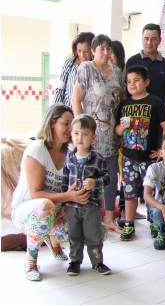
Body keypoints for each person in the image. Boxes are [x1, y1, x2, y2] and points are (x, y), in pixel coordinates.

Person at [11, 105, 83, 281]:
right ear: (52, 123)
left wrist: (69, 203)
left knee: (96, 226)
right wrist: (67, 197)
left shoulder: (71, 152)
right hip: (27, 213)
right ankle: (31, 261)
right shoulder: (37, 149)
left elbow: (73, 185)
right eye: (66, 123)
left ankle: (52, 238)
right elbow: (36, 194)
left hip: (56, 210)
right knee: (44, 206)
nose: (70, 129)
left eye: (72, 125)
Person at [71, 34, 123, 234]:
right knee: (85, 174)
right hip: (90, 132)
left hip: (111, 132)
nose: (105, 52)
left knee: (110, 175)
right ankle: (83, 219)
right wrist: (80, 131)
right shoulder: (86, 68)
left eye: (108, 49)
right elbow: (77, 100)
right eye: (101, 49)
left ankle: (109, 219)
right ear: (93, 51)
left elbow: (120, 101)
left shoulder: (117, 72)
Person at [115, 66, 165, 241]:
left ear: (146, 82)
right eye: (129, 81)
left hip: (149, 158)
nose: (132, 84)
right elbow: (117, 131)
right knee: (129, 192)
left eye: (136, 80)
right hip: (128, 158)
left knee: (150, 191)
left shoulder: (155, 102)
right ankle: (129, 224)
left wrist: (163, 149)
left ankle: (153, 221)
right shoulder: (124, 105)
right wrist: (122, 127)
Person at [62, 115, 111, 277]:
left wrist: (94, 183)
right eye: (76, 133)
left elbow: (107, 179)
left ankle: (97, 262)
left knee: (93, 235)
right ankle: (75, 261)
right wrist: (63, 202)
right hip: (72, 206)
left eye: (85, 134)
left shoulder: (98, 159)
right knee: (74, 235)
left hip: (92, 206)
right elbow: (64, 181)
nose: (79, 138)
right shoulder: (68, 158)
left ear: (93, 137)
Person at [126, 24, 165, 119]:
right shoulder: (131, 61)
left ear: (159, 40)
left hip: (158, 119)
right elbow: (124, 92)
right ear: (141, 39)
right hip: (135, 117)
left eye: (153, 39)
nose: (149, 43)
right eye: (146, 39)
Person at [54, 32, 94, 106]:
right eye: (79, 51)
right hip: (69, 111)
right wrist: (57, 111)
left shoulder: (95, 66)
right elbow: (60, 88)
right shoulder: (69, 63)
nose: (82, 55)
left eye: (86, 51)